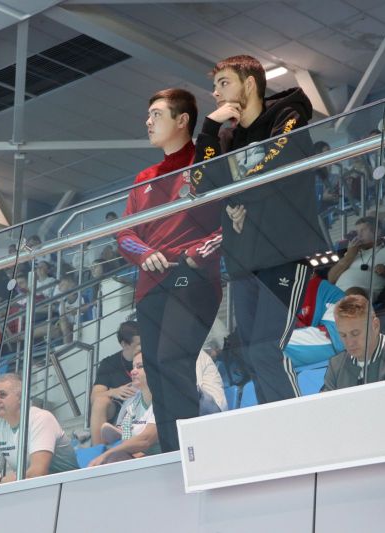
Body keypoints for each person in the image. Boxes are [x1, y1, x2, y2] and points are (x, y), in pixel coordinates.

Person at [190, 55, 328, 406]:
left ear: (249, 84)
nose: (216, 93)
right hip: (243, 262)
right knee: (250, 353)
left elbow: (275, 167)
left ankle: (293, 422)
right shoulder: (226, 137)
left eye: (224, 83)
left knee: (267, 348)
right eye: (214, 86)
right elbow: (202, 184)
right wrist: (208, 128)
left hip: (285, 254)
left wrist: (236, 198)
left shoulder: (288, 117)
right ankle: (274, 422)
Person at [117, 88, 222, 452]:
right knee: (158, 374)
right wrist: (144, 253)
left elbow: (229, 217)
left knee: (171, 361)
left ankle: (191, 452)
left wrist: (195, 255)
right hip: (149, 287)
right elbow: (125, 233)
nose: (148, 122)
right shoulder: (144, 177)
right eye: (149, 115)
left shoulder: (205, 163)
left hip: (191, 276)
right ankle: (172, 454)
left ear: (182, 120)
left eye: (157, 115)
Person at [322, 295, 385, 391]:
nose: (349, 343)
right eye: (343, 335)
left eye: (355, 333)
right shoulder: (336, 366)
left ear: (375, 326)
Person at [89, 351, 160, 466]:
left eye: (140, 366)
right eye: (133, 367)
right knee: (114, 457)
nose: (133, 371)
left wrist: (107, 454)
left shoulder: (163, 399)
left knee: (111, 457)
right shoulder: (131, 401)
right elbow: (124, 434)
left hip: (161, 460)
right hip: (135, 458)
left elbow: (145, 440)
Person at [89, 321, 141, 445]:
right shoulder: (109, 364)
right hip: (119, 412)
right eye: (139, 344)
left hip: (143, 408)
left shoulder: (149, 356)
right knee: (100, 401)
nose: (144, 347)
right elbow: (94, 397)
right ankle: (98, 450)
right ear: (124, 344)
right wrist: (114, 392)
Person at [328, 217, 385, 303]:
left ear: (377, 232)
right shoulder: (353, 253)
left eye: (363, 230)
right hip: (334, 297)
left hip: (358, 297)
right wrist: (349, 255)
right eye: (357, 232)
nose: (359, 235)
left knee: (353, 292)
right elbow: (331, 279)